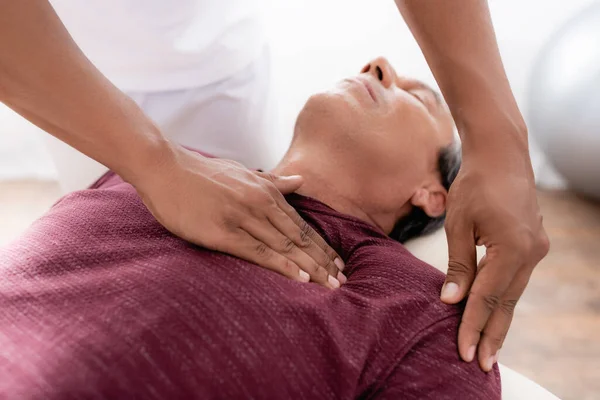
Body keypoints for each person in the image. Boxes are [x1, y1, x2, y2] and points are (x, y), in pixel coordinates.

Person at [0, 0, 549, 371]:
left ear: (437, 195)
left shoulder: (413, 322)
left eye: (418, 97)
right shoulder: (106, 199)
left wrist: (500, 138)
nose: (378, 64)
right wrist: (152, 165)